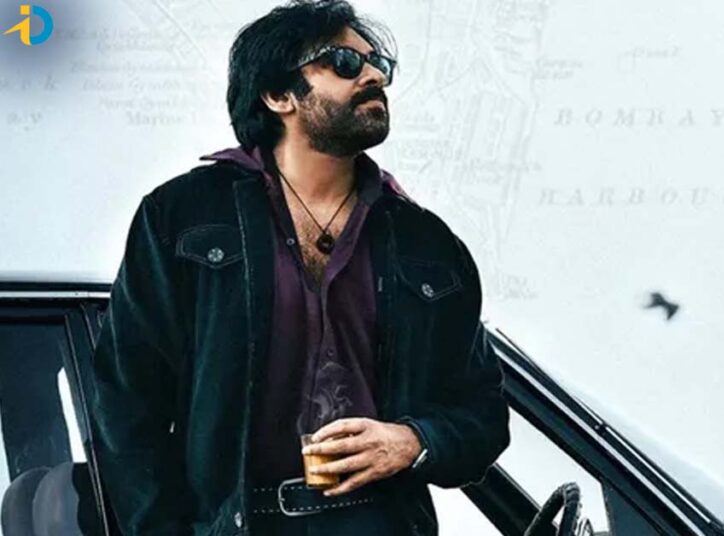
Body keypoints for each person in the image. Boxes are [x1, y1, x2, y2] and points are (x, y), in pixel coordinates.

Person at [86, 1, 511, 534]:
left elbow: (483, 414)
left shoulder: (427, 244)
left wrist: (413, 441)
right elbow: (126, 404)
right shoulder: (182, 217)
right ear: (278, 95)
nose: (375, 76)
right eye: (345, 63)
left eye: (378, 63)